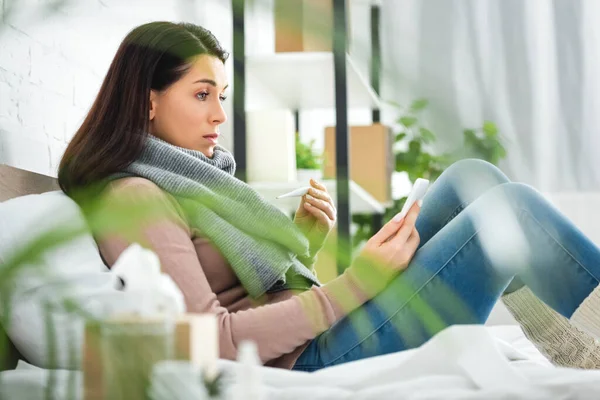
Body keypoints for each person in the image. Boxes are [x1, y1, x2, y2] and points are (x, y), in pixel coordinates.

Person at [58, 21, 600, 371]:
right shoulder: (134, 198)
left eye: (221, 96)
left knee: (471, 178)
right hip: (313, 359)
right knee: (509, 212)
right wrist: (357, 283)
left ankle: (578, 346)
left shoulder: (187, 177)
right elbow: (213, 341)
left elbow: (249, 294)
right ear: (146, 101)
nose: (220, 115)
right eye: (201, 96)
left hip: (320, 332)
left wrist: (306, 249)